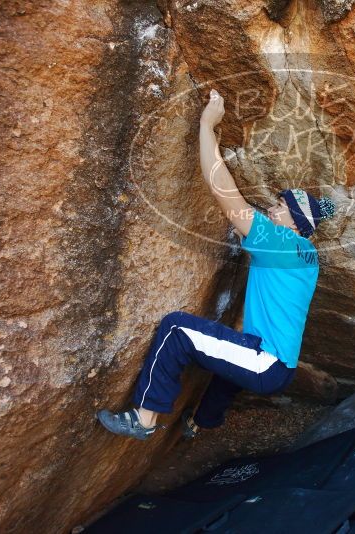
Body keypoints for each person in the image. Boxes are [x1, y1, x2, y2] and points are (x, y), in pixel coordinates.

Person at [96, 88, 336, 440]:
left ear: (297, 224)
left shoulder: (280, 243)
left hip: (265, 364)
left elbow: (225, 193)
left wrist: (207, 127)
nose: (272, 208)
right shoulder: (308, 256)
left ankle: (144, 419)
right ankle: (201, 422)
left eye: (281, 207)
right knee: (234, 352)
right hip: (280, 367)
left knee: (177, 329)